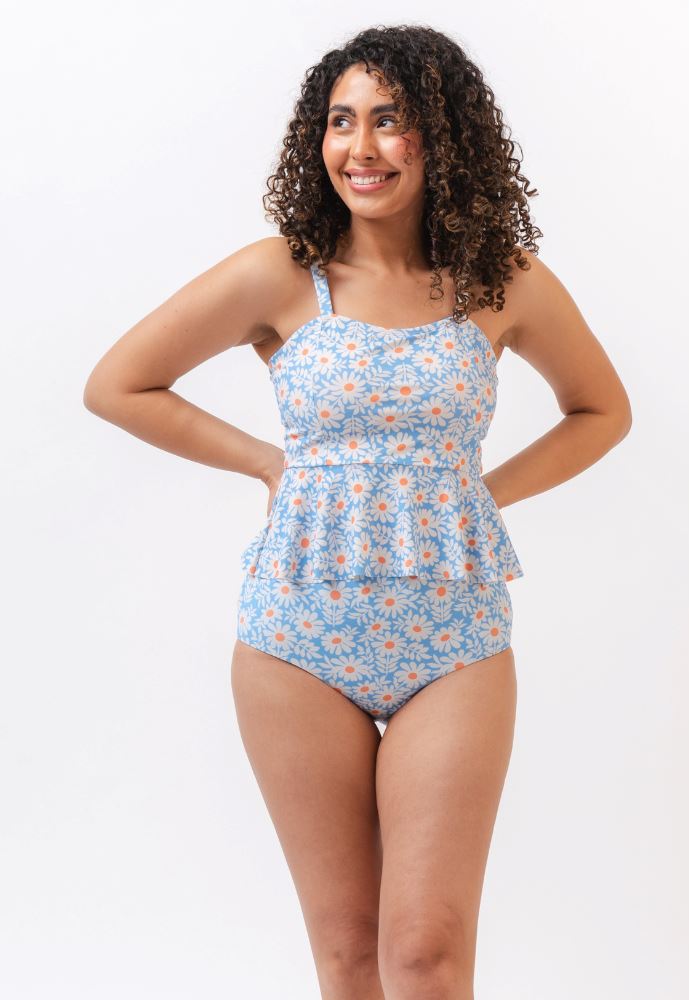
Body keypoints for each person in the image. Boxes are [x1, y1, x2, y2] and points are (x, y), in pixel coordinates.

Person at [84, 24, 632, 1000]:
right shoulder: (281, 275)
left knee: (423, 951)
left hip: (451, 638)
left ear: (442, 138)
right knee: (347, 955)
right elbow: (119, 383)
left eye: (390, 121)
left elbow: (601, 411)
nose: (360, 146)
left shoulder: (500, 279)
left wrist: (479, 494)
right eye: (341, 122)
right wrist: (263, 462)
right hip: (296, 637)